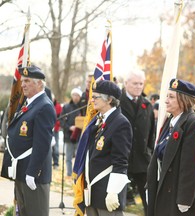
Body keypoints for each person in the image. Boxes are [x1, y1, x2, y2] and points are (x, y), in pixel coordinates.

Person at [1, 65, 56, 216]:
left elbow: (42, 144)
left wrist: (32, 172)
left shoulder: (44, 106)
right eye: (22, 81)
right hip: (22, 171)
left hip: (33, 176)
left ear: (39, 84)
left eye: (27, 81)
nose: (23, 84)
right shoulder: (29, 103)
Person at [146, 78, 195, 216]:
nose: (166, 101)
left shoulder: (192, 122)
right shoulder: (170, 120)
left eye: (171, 97)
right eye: (166, 96)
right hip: (162, 188)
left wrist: (185, 198)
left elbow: (189, 164)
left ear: (183, 100)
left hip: (176, 193)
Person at [80, 80, 132, 216]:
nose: (92, 100)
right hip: (93, 192)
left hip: (107, 194)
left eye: (96, 97)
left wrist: (113, 191)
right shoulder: (99, 120)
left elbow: (121, 161)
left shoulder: (120, 123)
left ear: (109, 99)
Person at [120, 69, 155, 215]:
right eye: (135, 83)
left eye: (141, 83)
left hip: (142, 159)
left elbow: (151, 133)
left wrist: (149, 152)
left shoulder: (147, 106)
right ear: (126, 83)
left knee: (149, 199)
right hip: (121, 157)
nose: (138, 86)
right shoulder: (117, 103)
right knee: (116, 199)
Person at [60, 87, 82, 177]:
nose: (75, 97)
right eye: (74, 95)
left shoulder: (82, 107)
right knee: (68, 157)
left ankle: (77, 174)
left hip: (80, 136)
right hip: (69, 136)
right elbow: (61, 121)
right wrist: (69, 128)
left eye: (77, 95)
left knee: (78, 157)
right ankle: (69, 174)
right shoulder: (66, 107)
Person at [51, 93, 62, 169]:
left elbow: (60, 118)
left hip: (55, 129)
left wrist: (55, 125)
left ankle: (56, 163)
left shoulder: (58, 107)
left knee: (56, 147)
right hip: (48, 129)